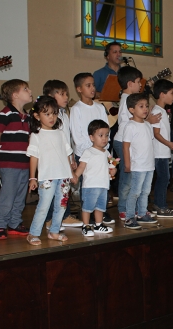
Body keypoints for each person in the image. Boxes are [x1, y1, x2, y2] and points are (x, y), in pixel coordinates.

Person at [25, 96, 76, 245]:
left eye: (54, 113)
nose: (51, 117)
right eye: (47, 114)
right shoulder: (36, 135)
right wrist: (32, 178)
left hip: (63, 177)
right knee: (44, 205)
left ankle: (54, 231)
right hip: (47, 177)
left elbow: (67, 153)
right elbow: (33, 157)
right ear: (37, 116)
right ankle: (33, 233)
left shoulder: (60, 133)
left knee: (61, 205)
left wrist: (71, 173)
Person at [0, 79, 32, 239]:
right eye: (25, 89)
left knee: (20, 196)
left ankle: (14, 223)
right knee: (8, 195)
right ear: (15, 95)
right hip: (9, 164)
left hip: (24, 164)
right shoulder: (4, 114)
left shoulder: (27, 117)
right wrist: (1, 155)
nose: (30, 91)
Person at [69, 72, 113, 224]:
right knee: (88, 186)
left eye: (93, 85)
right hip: (85, 154)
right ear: (79, 89)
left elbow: (106, 128)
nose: (92, 88)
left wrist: (104, 146)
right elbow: (77, 135)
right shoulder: (76, 109)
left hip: (101, 152)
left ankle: (100, 213)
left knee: (101, 182)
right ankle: (87, 216)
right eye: (88, 85)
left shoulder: (100, 107)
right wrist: (93, 148)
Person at [42, 80, 83, 228]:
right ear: (50, 96)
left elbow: (67, 139)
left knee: (63, 190)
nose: (66, 97)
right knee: (52, 191)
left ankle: (64, 216)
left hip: (65, 158)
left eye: (66, 93)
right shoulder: (50, 118)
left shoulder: (64, 115)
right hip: (53, 160)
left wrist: (71, 158)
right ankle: (49, 219)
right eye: (61, 94)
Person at [73, 120, 117, 236]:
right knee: (88, 207)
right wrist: (76, 175)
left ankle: (98, 224)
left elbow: (112, 164)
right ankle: (86, 225)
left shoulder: (107, 152)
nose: (104, 138)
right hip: (91, 185)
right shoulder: (88, 152)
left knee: (100, 207)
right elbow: (82, 166)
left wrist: (113, 169)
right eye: (100, 135)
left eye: (107, 135)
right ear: (92, 137)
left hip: (103, 185)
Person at [111, 67, 143, 220]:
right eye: (138, 82)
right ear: (130, 84)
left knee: (133, 177)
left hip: (127, 141)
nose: (140, 85)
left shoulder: (128, 99)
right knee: (127, 177)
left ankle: (132, 207)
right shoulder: (126, 100)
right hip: (123, 142)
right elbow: (126, 121)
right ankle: (123, 208)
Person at [122, 93, 158, 228]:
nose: (145, 109)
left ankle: (142, 214)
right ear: (131, 109)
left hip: (149, 165)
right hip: (138, 166)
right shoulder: (130, 126)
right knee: (135, 191)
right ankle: (129, 217)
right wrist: (127, 164)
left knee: (146, 191)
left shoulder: (148, 125)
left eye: (146, 106)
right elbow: (126, 147)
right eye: (141, 106)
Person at [150, 79, 173, 217]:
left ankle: (158, 204)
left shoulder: (162, 110)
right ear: (162, 94)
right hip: (159, 152)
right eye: (172, 93)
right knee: (164, 179)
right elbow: (156, 134)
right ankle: (160, 206)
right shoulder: (157, 112)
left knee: (163, 178)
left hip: (163, 152)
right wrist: (169, 144)